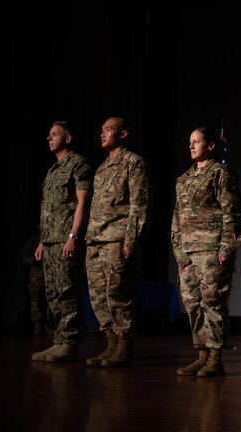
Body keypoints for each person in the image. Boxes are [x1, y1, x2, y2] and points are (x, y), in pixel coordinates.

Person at [172, 126, 241, 377]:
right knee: (192, 304)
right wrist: (178, 249)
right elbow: (176, 219)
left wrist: (227, 249)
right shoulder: (183, 180)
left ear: (211, 145)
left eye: (197, 141)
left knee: (212, 303)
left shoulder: (220, 175)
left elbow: (232, 216)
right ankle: (201, 354)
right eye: (189, 142)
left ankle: (215, 357)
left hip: (212, 251)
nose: (191, 146)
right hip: (188, 253)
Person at [85, 116, 151, 368]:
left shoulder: (133, 163)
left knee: (118, 293)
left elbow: (139, 204)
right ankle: (110, 343)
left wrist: (132, 239)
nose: (102, 134)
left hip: (117, 239)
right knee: (98, 295)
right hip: (96, 240)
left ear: (122, 134)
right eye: (101, 130)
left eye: (108, 130)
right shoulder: (102, 168)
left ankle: (124, 346)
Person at [31, 121, 93, 362]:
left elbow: (82, 203)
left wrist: (73, 237)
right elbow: (49, 210)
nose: (49, 138)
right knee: (53, 292)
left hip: (66, 240)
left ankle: (69, 341)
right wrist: (42, 241)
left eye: (54, 134)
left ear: (67, 139)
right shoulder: (53, 170)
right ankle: (59, 340)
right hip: (50, 241)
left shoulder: (78, 164)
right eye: (48, 135)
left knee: (67, 290)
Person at [22, 230, 47, 335]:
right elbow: (26, 258)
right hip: (35, 278)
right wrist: (39, 258)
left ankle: (48, 326)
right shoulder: (32, 241)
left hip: (48, 276)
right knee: (35, 303)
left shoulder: (48, 239)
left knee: (50, 303)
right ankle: (37, 326)